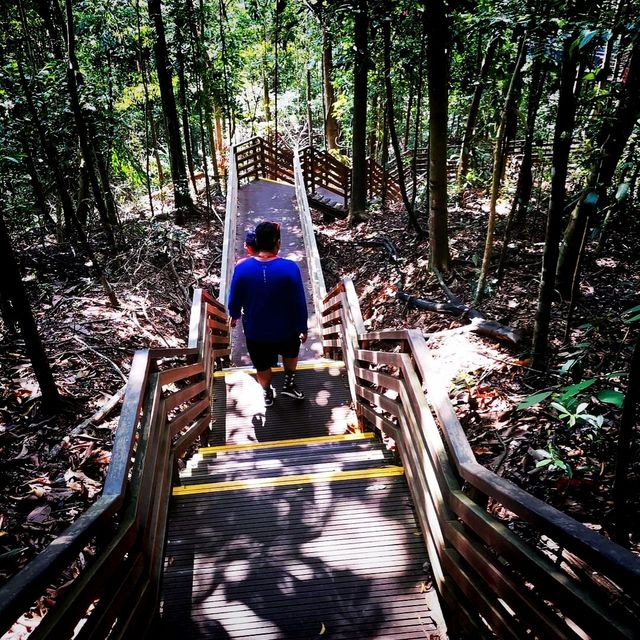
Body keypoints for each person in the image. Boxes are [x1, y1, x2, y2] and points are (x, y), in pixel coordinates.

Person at [227, 221, 308, 407]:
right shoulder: (290, 268)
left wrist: (234, 315)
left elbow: (234, 298)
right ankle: (288, 384)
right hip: (286, 328)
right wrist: (302, 327)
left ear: (256, 241)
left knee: (262, 365)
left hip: (256, 331)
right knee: (290, 352)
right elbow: (299, 302)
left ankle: (267, 394)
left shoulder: (242, 269)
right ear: (277, 243)